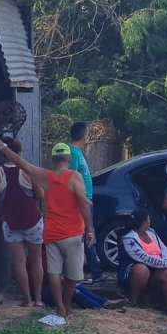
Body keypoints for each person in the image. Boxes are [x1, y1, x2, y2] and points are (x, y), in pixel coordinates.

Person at [0, 138, 95, 326]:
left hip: (37, 229)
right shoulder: (72, 177)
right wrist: (90, 228)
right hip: (55, 228)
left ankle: (43, 303)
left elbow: (14, 171)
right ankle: (55, 303)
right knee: (57, 268)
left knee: (40, 268)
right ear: (69, 159)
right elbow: (80, 202)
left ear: (53, 159)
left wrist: (1, 145)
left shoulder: (39, 175)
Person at [0, 137, 44, 307]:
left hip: (10, 222)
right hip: (32, 220)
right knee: (36, 259)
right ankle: (38, 299)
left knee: (19, 261)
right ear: (19, 153)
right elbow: (40, 195)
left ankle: (27, 299)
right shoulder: (28, 170)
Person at [118, 208, 167, 314]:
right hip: (133, 272)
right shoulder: (128, 238)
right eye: (148, 219)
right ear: (144, 222)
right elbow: (142, 257)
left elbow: (163, 249)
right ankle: (133, 302)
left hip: (155, 270)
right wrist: (164, 264)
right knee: (142, 270)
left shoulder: (152, 233)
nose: (150, 221)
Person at [69, 122, 102, 284]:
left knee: (88, 234)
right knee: (87, 234)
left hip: (87, 199)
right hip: (82, 201)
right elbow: (71, 177)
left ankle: (93, 271)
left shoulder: (79, 152)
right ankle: (92, 272)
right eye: (88, 133)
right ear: (83, 135)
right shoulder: (73, 153)